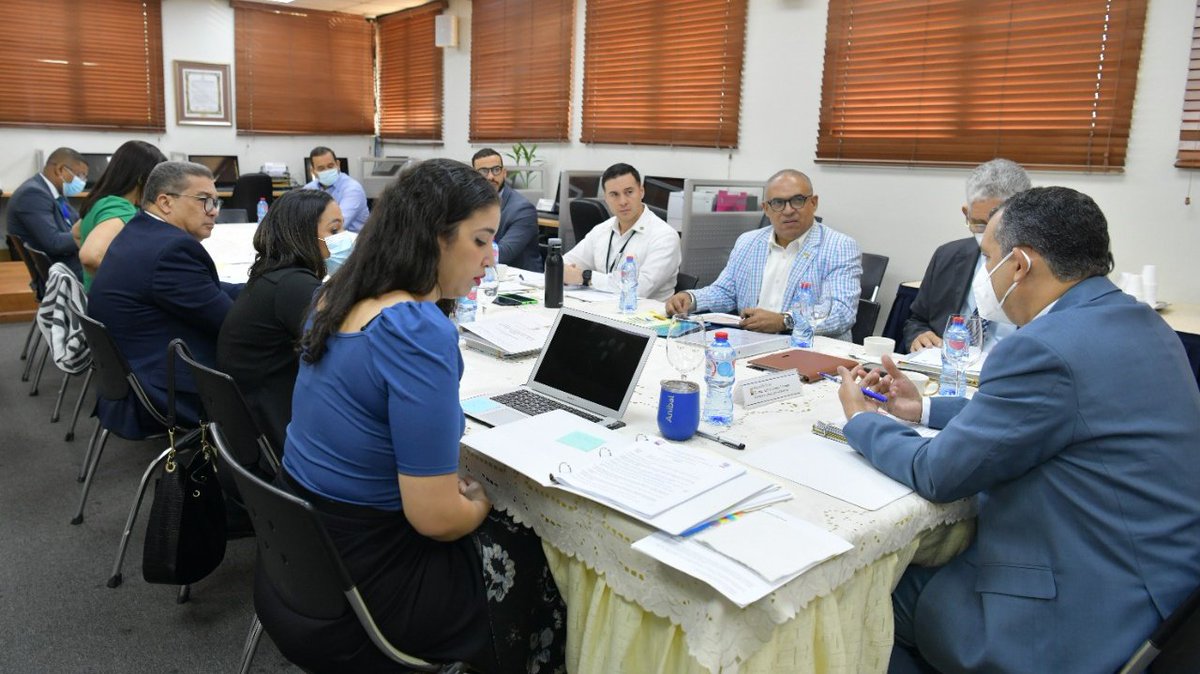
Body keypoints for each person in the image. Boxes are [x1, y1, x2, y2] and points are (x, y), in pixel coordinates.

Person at [833, 187, 1200, 674]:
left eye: (987, 258)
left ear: (1020, 265)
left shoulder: (1044, 347)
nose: (983, 274)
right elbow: (1050, 418)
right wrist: (922, 409)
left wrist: (862, 422)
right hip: (1162, 591)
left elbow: (937, 472)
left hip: (1080, 613)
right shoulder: (1143, 323)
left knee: (864, 599)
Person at [267, 159, 566, 673]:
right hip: (375, 585)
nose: (490, 259)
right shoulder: (414, 330)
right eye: (480, 240)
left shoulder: (336, 295)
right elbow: (436, 519)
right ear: (434, 238)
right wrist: (480, 502)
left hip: (305, 561)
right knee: (541, 553)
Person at [88, 161, 242, 438]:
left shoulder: (141, 230)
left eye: (216, 201)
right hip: (164, 392)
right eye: (204, 200)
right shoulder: (172, 249)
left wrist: (259, 290)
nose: (214, 211)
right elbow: (232, 326)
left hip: (131, 376)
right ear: (165, 202)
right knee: (275, 358)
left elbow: (208, 289)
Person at [665, 169, 861, 338]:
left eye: (798, 200)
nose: (788, 210)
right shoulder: (749, 241)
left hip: (809, 349)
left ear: (814, 203)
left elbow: (841, 313)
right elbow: (725, 292)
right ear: (766, 208)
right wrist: (691, 299)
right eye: (778, 203)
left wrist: (785, 321)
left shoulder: (839, 246)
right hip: (751, 341)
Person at [217, 190, 342, 452]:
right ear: (304, 233)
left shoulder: (274, 273)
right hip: (275, 423)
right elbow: (344, 348)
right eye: (335, 230)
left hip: (251, 417)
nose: (344, 239)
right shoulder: (294, 285)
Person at [903, 158, 1030, 353]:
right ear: (966, 213)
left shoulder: (1039, 268)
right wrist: (919, 336)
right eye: (979, 224)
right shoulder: (948, 256)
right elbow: (917, 320)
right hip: (946, 368)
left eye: (998, 227)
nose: (988, 236)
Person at [562, 162, 681, 301]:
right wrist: (562, 270)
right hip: (600, 310)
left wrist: (586, 277)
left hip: (644, 318)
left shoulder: (665, 237)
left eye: (629, 192)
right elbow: (562, 263)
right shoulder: (601, 230)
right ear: (606, 198)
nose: (623, 201)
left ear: (641, 192)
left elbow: (638, 289)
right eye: (614, 194)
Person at [74, 140, 167, 291]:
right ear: (142, 179)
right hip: (111, 304)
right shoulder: (120, 208)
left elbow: (76, 232)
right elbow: (90, 256)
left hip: (95, 296)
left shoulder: (102, 201)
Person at [6, 147, 88, 279]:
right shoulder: (33, 194)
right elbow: (54, 243)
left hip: (68, 265)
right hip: (61, 274)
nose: (83, 182)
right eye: (80, 176)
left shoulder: (56, 193)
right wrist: (90, 233)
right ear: (60, 169)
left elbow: (76, 221)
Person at [471, 148, 541, 271]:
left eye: (496, 170)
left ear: (504, 173)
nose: (491, 176)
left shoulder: (522, 209)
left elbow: (503, 254)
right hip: (487, 276)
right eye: (484, 171)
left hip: (522, 283)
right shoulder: (471, 203)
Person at [302, 146, 369, 233]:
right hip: (323, 238)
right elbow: (301, 219)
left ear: (337, 164)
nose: (326, 171)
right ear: (313, 171)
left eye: (330, 166)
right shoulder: (308, 189)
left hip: (355, 242)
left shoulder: (353, 189)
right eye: (321, 168)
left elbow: (337, 226)